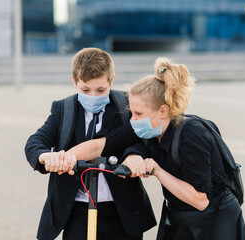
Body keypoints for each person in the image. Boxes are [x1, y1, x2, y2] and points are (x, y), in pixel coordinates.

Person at [65, 56, 245, 239]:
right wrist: (64, 158)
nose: (132, 120)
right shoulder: (151, 129)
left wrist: (157, 171)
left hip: (215, 221)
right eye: (131, 112)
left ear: (163, 111)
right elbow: (104, 144)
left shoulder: (192, 135)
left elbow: (200, 200)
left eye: (138, 114)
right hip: (178, 215)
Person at [24, 47, 156, 240]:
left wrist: (134, 155)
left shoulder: (128, 106)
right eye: (85, 90)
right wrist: (45, 156)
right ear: (74, 82)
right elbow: (35, 142)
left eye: (101, 90)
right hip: (77, 210)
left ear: (111, 80)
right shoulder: (63, 110)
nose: (93, 96)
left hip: (121, 211)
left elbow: (143, 139)